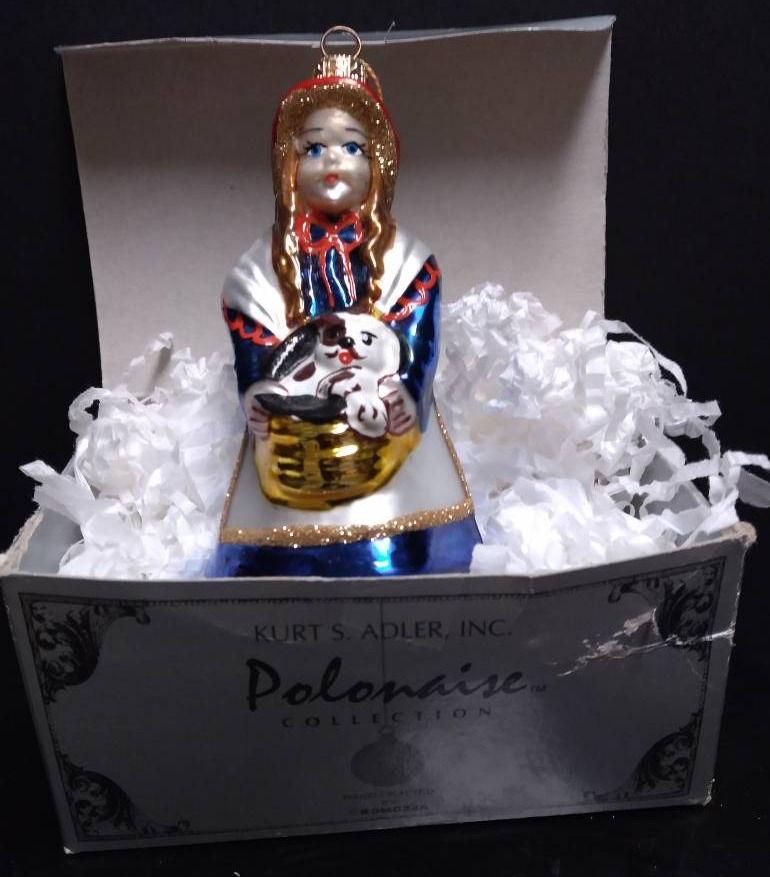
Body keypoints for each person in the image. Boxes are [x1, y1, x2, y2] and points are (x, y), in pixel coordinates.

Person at [210, 27, 480, 577]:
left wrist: (404, 391)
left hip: (388, 432)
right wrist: (262, 391)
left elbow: (418, 336)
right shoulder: (261, 266)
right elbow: (252, 339)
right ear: (289, 169)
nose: (332, 160)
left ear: (378, 166)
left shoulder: (408, 260)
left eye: (352, 147)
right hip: (295, 437)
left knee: (410, 513)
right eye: (313, 148)